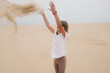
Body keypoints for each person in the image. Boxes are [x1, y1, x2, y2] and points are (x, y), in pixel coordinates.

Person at [39, 1, 69, 73]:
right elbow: (48, 25)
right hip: (55, 59)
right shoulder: (55, 33)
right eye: (57, 27)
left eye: (60, 27)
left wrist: (54, 12)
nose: (58, 27)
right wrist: (43, 15)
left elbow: (59, 23)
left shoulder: (65, 35)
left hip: (62, 59)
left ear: (64, 28)